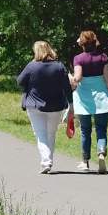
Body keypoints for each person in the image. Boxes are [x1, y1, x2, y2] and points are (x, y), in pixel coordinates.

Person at [17, 41, 71, 173]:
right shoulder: (59, 66)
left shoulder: (32, 66)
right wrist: (71, 104)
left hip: (34, 105)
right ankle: (48, 161)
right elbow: (67, 87)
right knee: (51, 134)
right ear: (49, 50)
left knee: (40, 134)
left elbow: (20, 81)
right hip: (56, 105)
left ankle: (46, 161)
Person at [70, 30, 108, 174]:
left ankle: (85, 162)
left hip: (84, 99)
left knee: (85, 131)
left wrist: (71, 78)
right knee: (101, 129)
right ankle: (101, 153)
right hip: (102, 98)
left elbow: (77, 78)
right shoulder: (103, 57)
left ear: (82, 44)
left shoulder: (78, 58)